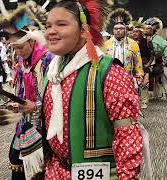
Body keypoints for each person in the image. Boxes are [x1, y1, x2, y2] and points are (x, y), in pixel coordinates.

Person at [42, 1, 144, 179]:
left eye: (61, 24)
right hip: (56, 172)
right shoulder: (52, 73)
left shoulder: (111, 74)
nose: (50, 31)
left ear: (84, 30)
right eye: (48, 25)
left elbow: (127, 136)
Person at [0, 0, 52, 179]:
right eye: (15, 48)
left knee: (40, 167)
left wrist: (35, 106)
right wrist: (15, 103)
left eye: (21, 47)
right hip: (25, 122)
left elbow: (56, 96)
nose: (18, 52)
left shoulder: (47, 61)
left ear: (32, 42)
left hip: (46, 125)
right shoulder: (22, 62)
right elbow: (21, 92)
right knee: (17, 161)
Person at [104, 8, 144, 85]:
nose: (118, 30)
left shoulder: (133, 44)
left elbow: (138, 62)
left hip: (128, 81)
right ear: (113, 30)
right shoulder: (106, 44)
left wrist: (138, 79)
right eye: (116, 29)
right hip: (110, 82)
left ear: (125, 30)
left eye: (121, 28)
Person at [144, 17, 167, 98]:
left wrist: (166, 59)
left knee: (156, 74)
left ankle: (155, 93)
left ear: (153, 30)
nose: (146, 30)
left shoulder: (159, 39)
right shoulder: (143, 38)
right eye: (145, 28)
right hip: (146, 60)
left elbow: (166, 47)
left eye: (148, 28)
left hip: (156, 61)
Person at [132, 20, 153, 109]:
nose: (135, 33)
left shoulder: (147, 42)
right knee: (135, 84)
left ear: (141, 32)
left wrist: (149, 63)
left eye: (137, 31)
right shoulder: (130, 42)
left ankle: (144, 101)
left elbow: (152, 54)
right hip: (134, 66)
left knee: (144, 84)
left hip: (145, 65)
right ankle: (135, 101)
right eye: (134, 32)